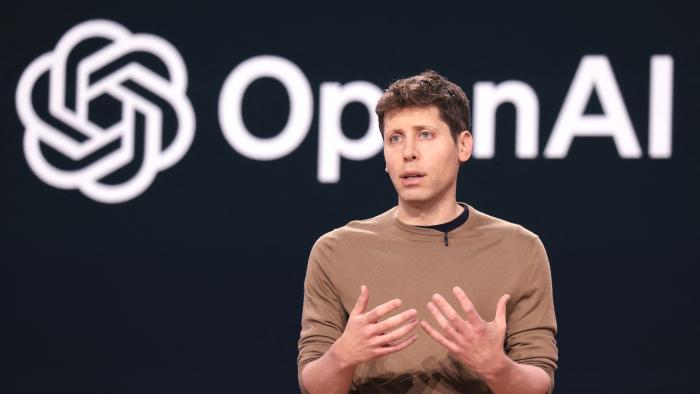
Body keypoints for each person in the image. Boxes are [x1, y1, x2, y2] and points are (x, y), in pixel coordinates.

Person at [297, 70, 558, 394]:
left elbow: (540, 382)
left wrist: (497, 367)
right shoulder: (336, 250)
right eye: (395, 138)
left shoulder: (520, 249)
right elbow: (314, 385)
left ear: (463, 145)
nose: (408, 152)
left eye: (425, 135)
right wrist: (343, 357)